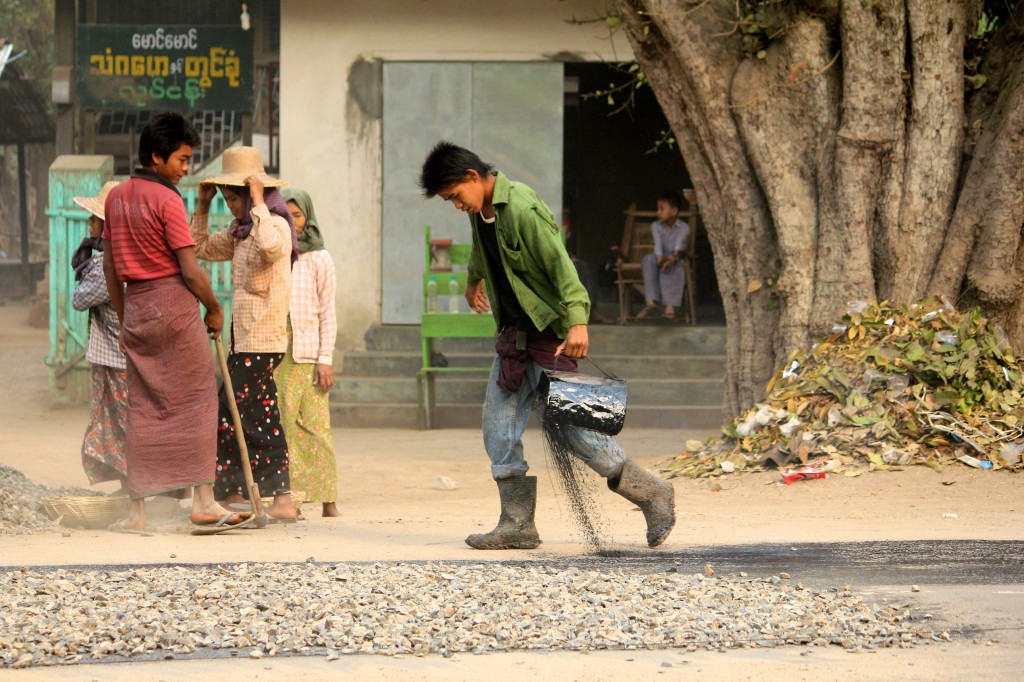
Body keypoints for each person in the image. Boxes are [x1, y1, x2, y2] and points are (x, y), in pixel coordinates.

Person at [418, 141, 676, 550]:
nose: (455, 205)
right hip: (513, 339)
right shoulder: (481, 212)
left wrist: (578, 321)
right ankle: (518, 524)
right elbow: (483, 254)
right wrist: (472, 284)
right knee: (498, 428)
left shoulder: (521, 207)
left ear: (472, 177)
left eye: (454, 196)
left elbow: (561, 265)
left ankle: (653, 493)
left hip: (550, 338)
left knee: (578, 435)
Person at [102, 111, 251, 533]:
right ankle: (202, 502)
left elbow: (112, 268)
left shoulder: (115, 197)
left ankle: (138, 512)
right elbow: (189, 269)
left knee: (144, 406)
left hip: (137, 307)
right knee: (198, 398)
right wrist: (214, 306)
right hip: (173, 305)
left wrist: (124, 314)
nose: (186, 168)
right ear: (156, 156)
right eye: (182, 160)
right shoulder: (167, 199)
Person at [192, 147, 299, 522]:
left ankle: (234, 490)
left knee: (226, 410)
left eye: (234, 197)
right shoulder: (239, 233)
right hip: (244, 341)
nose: (232, 205)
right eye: (228, 198)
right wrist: (203, 206)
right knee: (261, 415)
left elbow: (271, 249)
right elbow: (201, 247)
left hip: (263, 341)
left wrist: (257, 203)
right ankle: (281, 499)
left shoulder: (276, 225)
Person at [276, 188, 340, 517]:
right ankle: (294, 499)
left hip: (309, 350)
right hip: (277, 350)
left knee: (316, 424)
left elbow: (327, 311)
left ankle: (329, 500)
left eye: (297, 215)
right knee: (285, 423)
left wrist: (325, 359)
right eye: (284, 216)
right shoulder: (275, 253)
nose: (291, 222)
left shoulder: (319, 257)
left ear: (307, 216)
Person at [72, 181, 128, 491]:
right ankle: (128, 488)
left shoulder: (105, 262)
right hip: (117, 355)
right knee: (118, 424)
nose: (90, 223)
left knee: (121, 424)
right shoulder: (124, 256)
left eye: (95, 218)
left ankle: (136, 491)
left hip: (117, 358)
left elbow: (79, 300)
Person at [635, 190, 691, 320]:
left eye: (662, 209)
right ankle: (651, 302)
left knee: (673, 267)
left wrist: (672, 258)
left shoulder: (684, 227)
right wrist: (660, 258)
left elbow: (680, 245)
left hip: (676, 257)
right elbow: (658, 243)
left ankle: (670, 306)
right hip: (659, 256)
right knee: (648, 260)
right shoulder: (656, 226)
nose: (658, 212)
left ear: (674, 211)